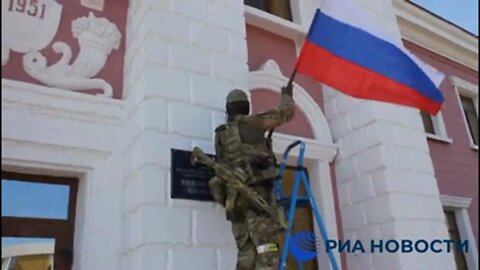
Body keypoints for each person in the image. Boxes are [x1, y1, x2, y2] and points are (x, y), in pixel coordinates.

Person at [208, 84, 295, 270]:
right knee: (267, 250)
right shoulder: (252, 124)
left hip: (235, 202)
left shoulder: (221, 135)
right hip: (258, 199)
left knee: (246, 252)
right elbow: (285, 113)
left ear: (228, 109)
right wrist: (287, 95)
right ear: (246, 108)